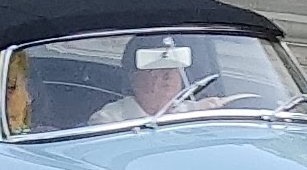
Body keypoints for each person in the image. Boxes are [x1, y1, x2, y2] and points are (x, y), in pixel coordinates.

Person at [88, 37, 227, 126]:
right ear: (134, 77)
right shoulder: (108, 120)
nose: (168, 75)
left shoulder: (188, 109)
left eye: (175, 67)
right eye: (155, 69)